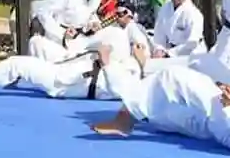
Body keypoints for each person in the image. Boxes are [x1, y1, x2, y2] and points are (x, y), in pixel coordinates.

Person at [92, 43, 230, 148]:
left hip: (220, 119)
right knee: (170, 97)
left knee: (172, 77)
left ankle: (125, 119)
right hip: (212, 114)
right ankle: (131, 110)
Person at [0, 25, 139, 100]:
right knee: (37, 43)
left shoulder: (135, 80)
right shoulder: (134, 68)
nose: (137, 49)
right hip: (71, 70)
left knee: (16, 64)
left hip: (64, 82)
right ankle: (9, 79)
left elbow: (118, 89)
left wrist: (106, 61)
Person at [29, 0, 109, 62]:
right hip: (57, 41)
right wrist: (61, 34)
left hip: (80, 39)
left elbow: (91, 12)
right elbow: (43, 12)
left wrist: (94, 22)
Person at [149, 0, 205, 65]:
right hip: (167, 52)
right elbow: (159, 34)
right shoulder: (165, 8)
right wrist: (160, 49)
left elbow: (192, 43)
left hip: (188, 56)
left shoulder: (194, 14)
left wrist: (169, 53)